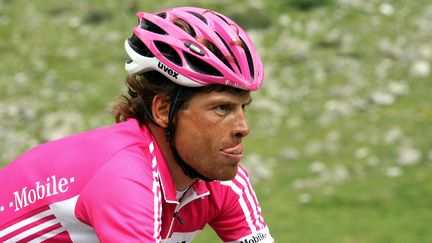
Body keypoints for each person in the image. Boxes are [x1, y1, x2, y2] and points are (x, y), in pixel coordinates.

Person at [0, 6, 274, 242]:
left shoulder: (225, 181)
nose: (242, 127)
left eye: (243, 107)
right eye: (222, 108)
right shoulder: (126, 176)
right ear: (164, 110)